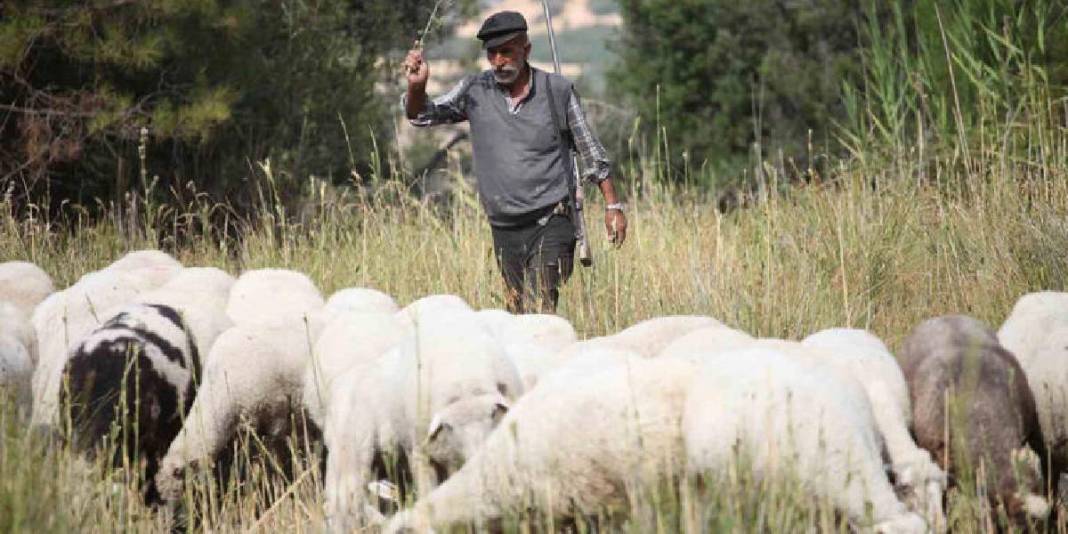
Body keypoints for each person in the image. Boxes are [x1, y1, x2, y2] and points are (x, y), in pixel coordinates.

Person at [403, 10, 627, 314]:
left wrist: (613, 206)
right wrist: (416, 87)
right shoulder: (474, 90)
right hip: (504, 228)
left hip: (552, 219)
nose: (498, 61)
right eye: (492, 53)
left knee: (539, 305)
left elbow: (590, 150)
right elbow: (421, 115)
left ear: (526, 50)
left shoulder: (556, 91)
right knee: (517, 315)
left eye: (506, 52)